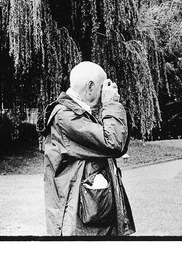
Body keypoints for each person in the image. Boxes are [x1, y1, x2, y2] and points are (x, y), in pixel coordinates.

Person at [37, 61, 135, 236]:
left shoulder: (79, 113)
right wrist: (111, 104)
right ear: (90, 86)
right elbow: (114, 143)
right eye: (102, 86)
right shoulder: (65, 117)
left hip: (90, 217)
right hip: (80, 224)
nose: (105, 91)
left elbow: (114, 141)